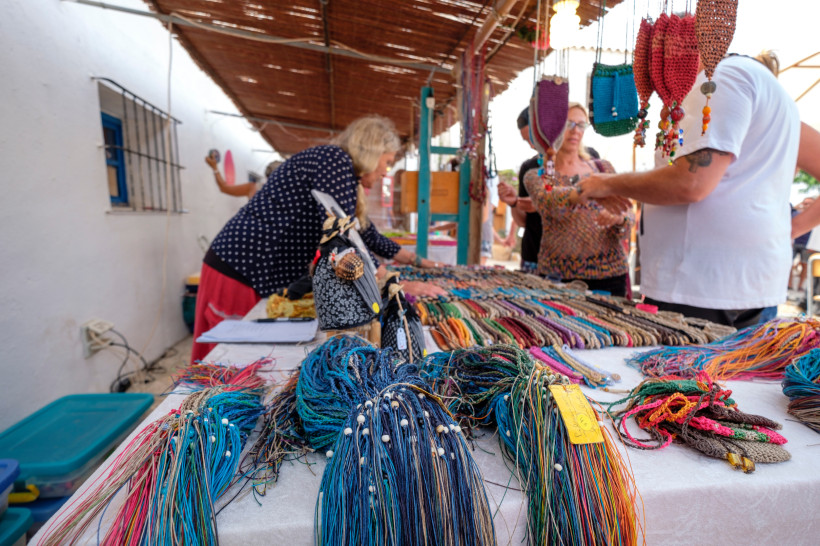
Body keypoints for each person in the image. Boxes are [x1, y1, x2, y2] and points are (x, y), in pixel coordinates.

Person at [192, 115, 445, 362]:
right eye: (387, 161)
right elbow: (344, 233)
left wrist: (416, 261)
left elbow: (364, 231)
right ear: (372, 150)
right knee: (224, 366)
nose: (385, 171)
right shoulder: (333, 161)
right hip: (242, 266)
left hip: (251, 268)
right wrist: (390, 281)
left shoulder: (342, 172)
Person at [578, 54, 805, 328]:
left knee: (684, 370)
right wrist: (787, 230)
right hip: (740, 281)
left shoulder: (722, 79)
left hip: (703, 285)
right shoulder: (770, 94)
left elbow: (692, 183)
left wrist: (605, 183)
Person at [504, 103, 634, 296]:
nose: (575, 131)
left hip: (609, 275)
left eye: (581, 125)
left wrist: (619, 218)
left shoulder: (603, 168)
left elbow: (627, 213)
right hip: (558, 278)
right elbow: (548, 201)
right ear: (554, 126)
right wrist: (586, 191)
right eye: (568, 124)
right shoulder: (536, 175)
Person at [499, 107, 600, 273]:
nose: (533, 145)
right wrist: (514, 203)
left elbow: (593, 207)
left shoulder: (590, 161)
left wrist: (547, 202)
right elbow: (523, 221)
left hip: (577, 260)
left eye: (533, 138)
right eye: (527, 141)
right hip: (534, 257)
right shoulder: (529, 168)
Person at [205, 153, 282, 199]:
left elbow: (224, 188)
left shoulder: (254, 188)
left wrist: (215, 168)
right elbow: (224, 188)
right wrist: (215, 168)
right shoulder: (288, 198)